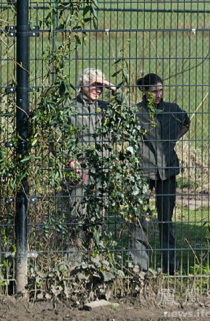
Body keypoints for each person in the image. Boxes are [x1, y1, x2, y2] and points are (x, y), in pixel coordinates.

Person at [61, 68, 125, 263]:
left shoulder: (105, 108)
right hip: (79, 171)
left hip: (102, 171)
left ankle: (94, 258)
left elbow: (129, 113)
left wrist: (113, 89)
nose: (99, 90)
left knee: (99, 214)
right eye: (95, 85)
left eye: (101, 86)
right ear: (82, 85)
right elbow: (58, 137)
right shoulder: (70, 108)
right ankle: (73, 261)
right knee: (76, 214)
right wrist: (70, 159)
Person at [130, 73, 190, 274]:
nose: (158, 94)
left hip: (168, 171)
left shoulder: (172, 109)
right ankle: (140, 266)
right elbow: (124, 132)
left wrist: (172, 140)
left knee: (166, 220)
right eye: (154, 91)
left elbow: (186, 123)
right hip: (143, 171)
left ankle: (169, 266)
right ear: (144, 91)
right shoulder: (136, 112)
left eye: (160, 90)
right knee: (139, 219)